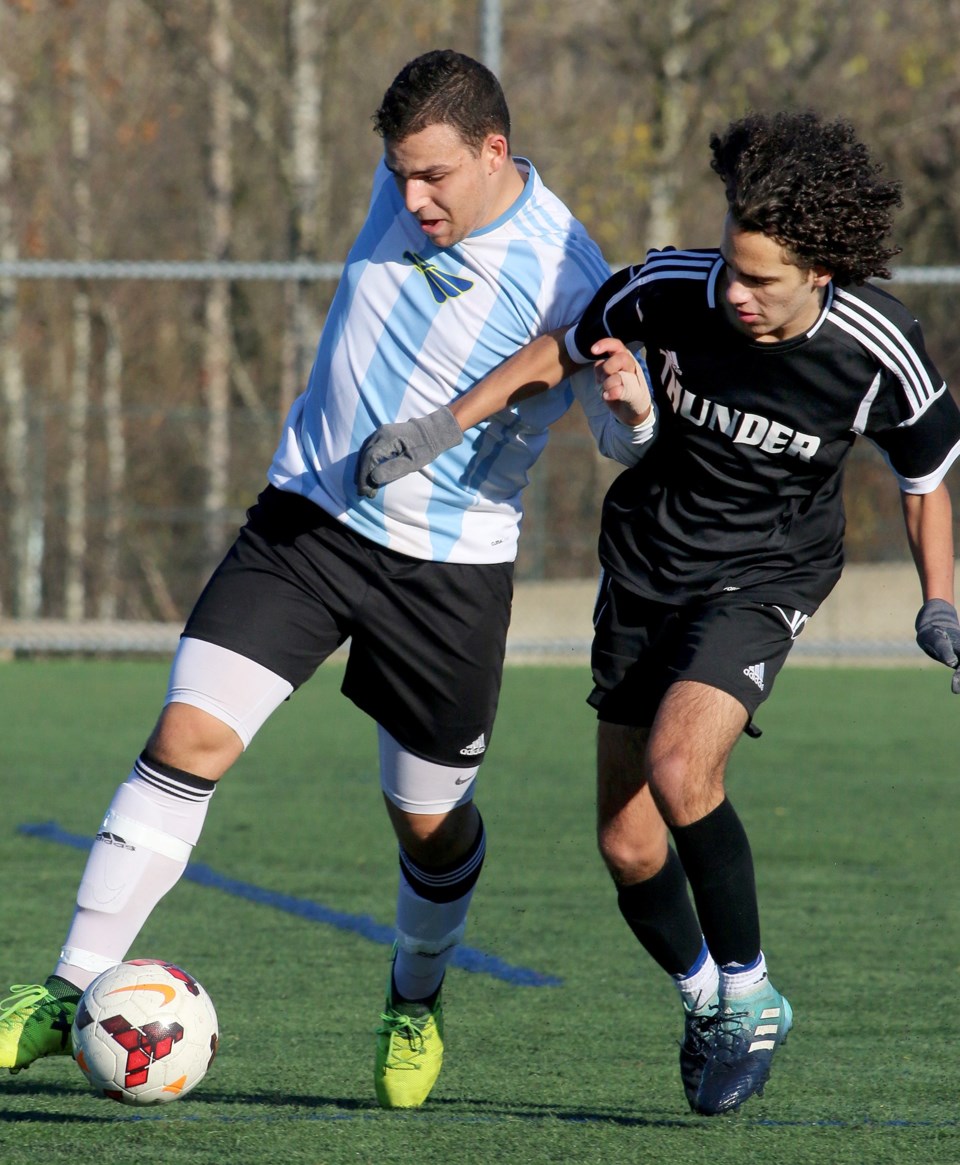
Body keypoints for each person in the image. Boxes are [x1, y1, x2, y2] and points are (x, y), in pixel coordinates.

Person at [0, 50, 652, 1108]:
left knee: (428, 822)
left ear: (495, 153)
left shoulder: (569, 272)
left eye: (435, 176)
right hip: (308, 517)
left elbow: (626, 445)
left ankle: (415, 996)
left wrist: (629, 414)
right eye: (398, 175)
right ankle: (65, 988)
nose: (411, 199)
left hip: (446, 570)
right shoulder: (406, 181)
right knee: (187, 740)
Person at [357, 110, 960, 1115]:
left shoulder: (876, 348)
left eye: (762, 280)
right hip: (645, 568)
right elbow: (563, 347)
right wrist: (439, 426)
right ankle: (704, 999)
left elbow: (929, 471)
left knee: (685, 768)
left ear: (821, 274)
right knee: (629, 846)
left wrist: (940, 601)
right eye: (733, 265)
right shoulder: (671, 288)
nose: (736, 293)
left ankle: (752, 992)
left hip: (765, 579)